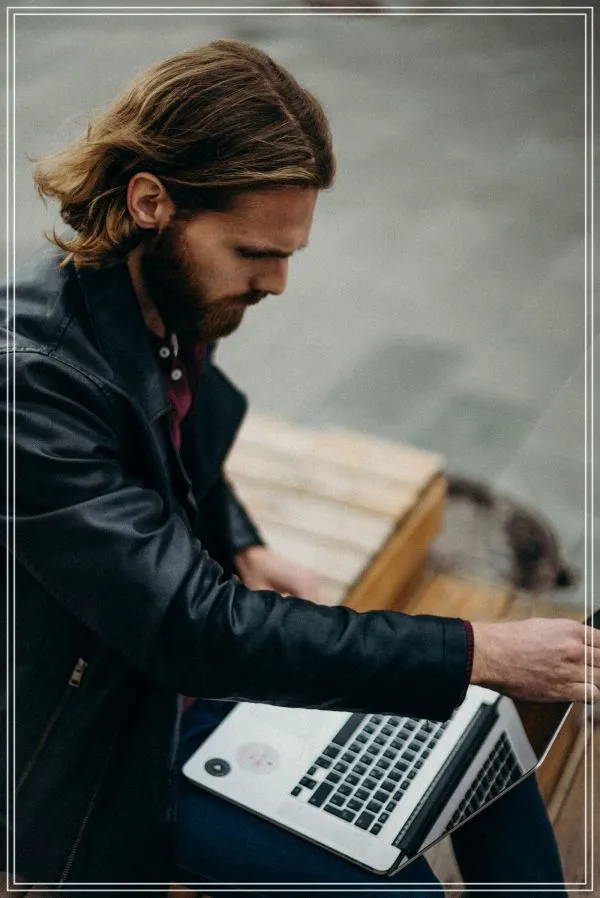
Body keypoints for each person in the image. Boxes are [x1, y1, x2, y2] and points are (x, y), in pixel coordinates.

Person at [1, 39, 597, 895]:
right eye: (254, 254)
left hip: (190, 676)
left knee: (488, 753)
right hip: (108, 744)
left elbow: (169, 451)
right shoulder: (33, 381)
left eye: (289, 254)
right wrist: (479, 646)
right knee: (397, 887)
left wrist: (242, 541)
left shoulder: (161, 290)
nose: (278, 283)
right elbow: (194, 628)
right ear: (150, 201)